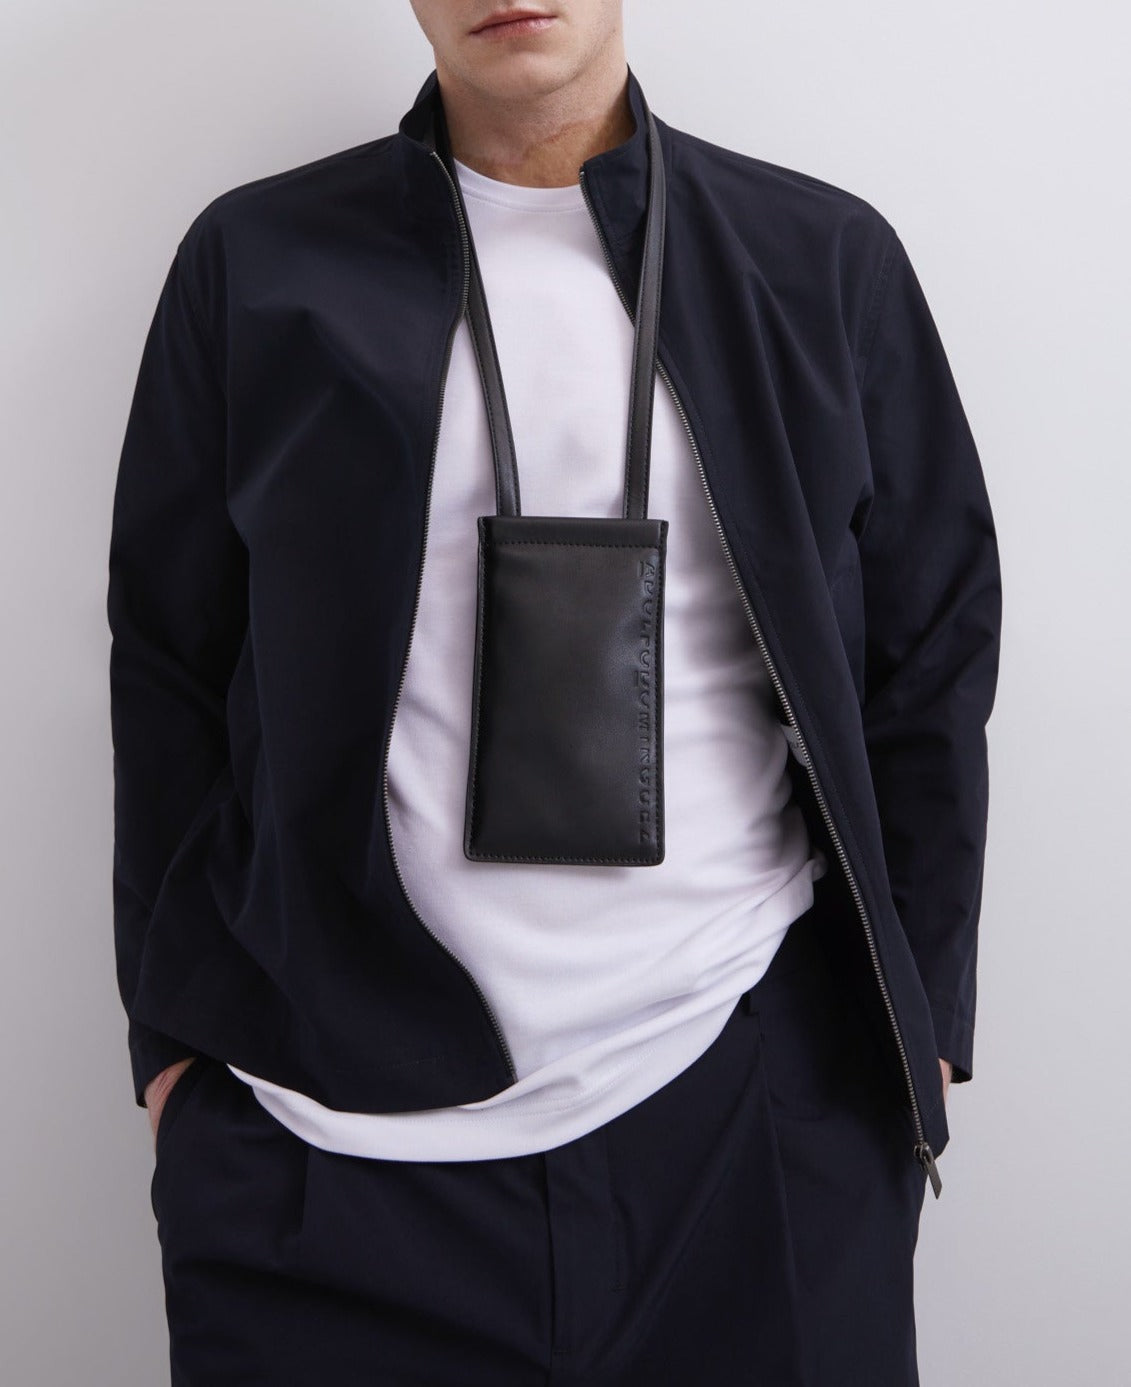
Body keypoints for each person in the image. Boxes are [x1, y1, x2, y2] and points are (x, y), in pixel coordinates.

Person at [106, 2, 1001, 1383]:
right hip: (324, 1153)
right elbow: (167, 658)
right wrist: (173, 1053)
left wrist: (921, 1030)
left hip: (750, 1115)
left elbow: (933, 655)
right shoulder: (258, 260)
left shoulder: (818, 257)